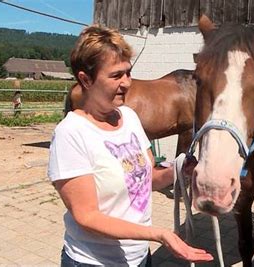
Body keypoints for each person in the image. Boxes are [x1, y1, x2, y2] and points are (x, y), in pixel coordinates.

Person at [47, 25, 213, 266]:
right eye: (116, 76)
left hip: (138, 257)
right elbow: (86, 216)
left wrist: (178, 171)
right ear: (86, 79)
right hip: (93, 261)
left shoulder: (129, 118)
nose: (127, 83)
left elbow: (144, 180)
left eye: (128, 72)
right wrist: (159, 234)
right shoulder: (71, 134)